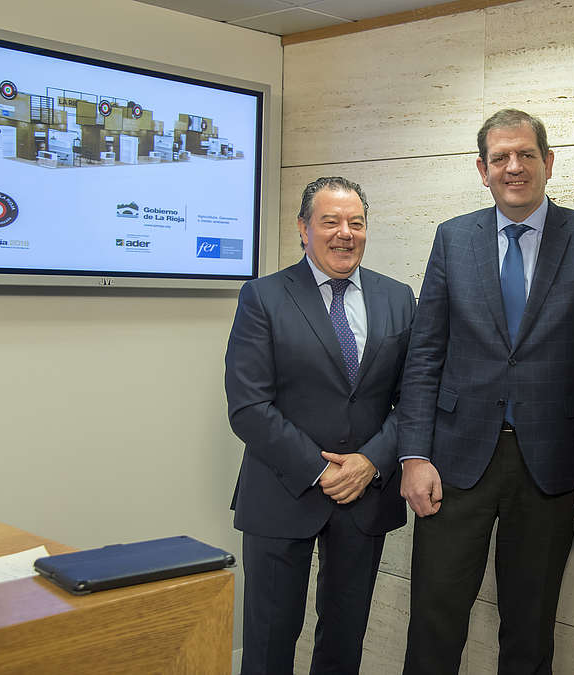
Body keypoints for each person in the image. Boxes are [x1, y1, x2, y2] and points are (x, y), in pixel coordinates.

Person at [397, 109, 574, 674]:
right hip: (453, 460)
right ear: (482, 169)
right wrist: (413, 455)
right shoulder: (452, 239)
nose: (513, 167)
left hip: (549, 465)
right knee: (434, 618)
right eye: (500, 157)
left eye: (525, 154)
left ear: (548, 162)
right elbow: (426, 353)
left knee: (529, 630)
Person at [224, 177, 416, 675]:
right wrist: (319, 469)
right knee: (268, 642)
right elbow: (248, 404)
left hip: (365, 497)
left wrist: (372, 461)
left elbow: (413, 398)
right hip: (282, 491)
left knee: (344, 641)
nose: (344, 233)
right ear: (303, 229)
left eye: (356, 222)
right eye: (330, 221)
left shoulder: (398, 298)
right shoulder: (263, 297)